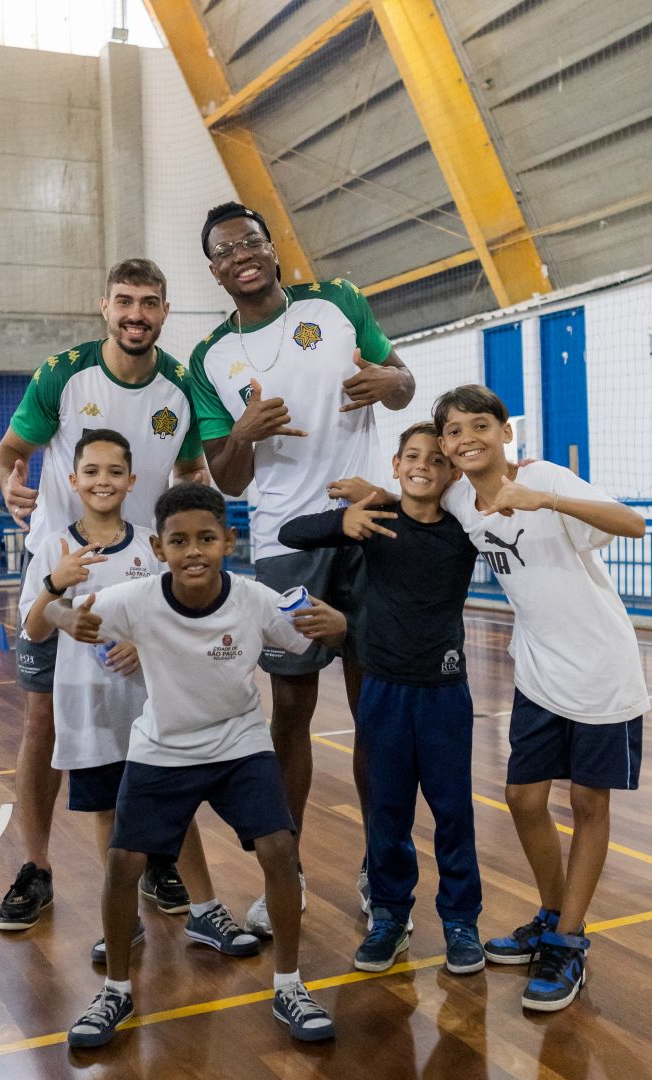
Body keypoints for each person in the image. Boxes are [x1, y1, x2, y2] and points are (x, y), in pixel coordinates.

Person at [44, 484, 345, 1047]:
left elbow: (308, 639)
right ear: (159, 549)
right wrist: (64, 617)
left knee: (280, 850)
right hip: (164, 747)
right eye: (179, 541)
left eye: (206, 538)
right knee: (123, 863)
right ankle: (115, 991)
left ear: (228, 541)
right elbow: (53, 611)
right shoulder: (135, 599)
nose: (193, 551)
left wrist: (339, 626)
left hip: (240, 743)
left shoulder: (254, 598)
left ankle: (289, 985)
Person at [189, 200, 416, 934]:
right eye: (225, 251)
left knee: (374, 709)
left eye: (250, 242)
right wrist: (244, 435)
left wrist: (391, 385)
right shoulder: (209, 358)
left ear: (272, 249)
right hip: (287, 546)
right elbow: (228, 479)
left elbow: (403, 381)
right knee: (290, 710)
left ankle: (383, 875)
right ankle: (284, 875)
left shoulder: (339, 301)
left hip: (368, 526)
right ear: (215, 271)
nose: (241, 256)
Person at [0, 258, 208, 930]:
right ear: (104, 307)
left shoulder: (181, 386)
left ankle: (159, 858)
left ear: (165, 311)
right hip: (60, 577)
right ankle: (36, 867)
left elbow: (190, 469)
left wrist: (188, 525)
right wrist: (9, 484)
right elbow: (9, 452)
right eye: (124, 301)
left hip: (141, 581)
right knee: (42, 723)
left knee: (155, 724)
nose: (135, 314)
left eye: (149, 302)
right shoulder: (64, 373)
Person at [433, 384, 649, 1011]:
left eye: (480, 425)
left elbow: (633, 524)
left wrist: (545, 499)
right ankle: (553, 915)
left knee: (586, 802)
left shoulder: (544, 476)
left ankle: (569, 941)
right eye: (454, 430)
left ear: (505, 432)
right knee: (523, 798)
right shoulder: (458, 497)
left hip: (601, 669)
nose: (467, 438)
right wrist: (375, 493)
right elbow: (417, 494)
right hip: (537, 671)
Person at [279, 423, 485, 977]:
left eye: (436, 460)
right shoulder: (374, 523)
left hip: (444, 693)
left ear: (453, 473)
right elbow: (292, 533)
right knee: (388, 812)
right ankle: (390, 917)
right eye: (411, 456)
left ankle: (461, 922)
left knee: (453, 813)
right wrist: (341, 521)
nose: (423, 466)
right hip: (383, 690)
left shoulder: (464, 530)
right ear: (395, 465)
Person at [18, 429, 230, 964]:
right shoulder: (53, 548)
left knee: (177, 808)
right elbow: (33, 630)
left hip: (151, 710)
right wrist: (55, 585)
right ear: (73, 480)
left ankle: (206, 910)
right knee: (108, 814)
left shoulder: (149, 546)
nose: (103, 481)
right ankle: (124, 920)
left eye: (115, 472)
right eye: (91, 472)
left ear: (132, 481)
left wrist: (143, 642)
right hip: (89, 712)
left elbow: (176, 615)